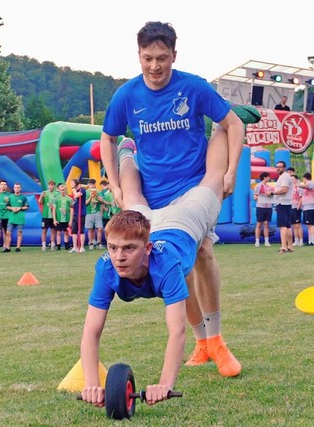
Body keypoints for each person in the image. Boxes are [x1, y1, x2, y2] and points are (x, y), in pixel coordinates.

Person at [99, 22, 246, 377]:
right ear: (139, 56)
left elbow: (235, 124)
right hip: (152, 196)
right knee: (171, 263)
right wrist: (115, 185)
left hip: (194, 188)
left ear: (174, 56)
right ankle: (201, 342)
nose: (154, 66)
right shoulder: (127, 96)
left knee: (203, 253)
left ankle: (218, 339)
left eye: (162, 58)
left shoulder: (193, 87)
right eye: (148, 58)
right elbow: (107, 137)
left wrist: (230, 173)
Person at [80, 127, 227, 407]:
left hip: (185, 220)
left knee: (212, 180)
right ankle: (126, 151)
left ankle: (222, 126)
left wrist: (165, 384)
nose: (119, 257)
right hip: (150, 221)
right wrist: (91, 384)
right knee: (130, 195)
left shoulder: (166, 266)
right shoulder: (106, 267)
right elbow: (91, 331)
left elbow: (176, 330)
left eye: (128, 249)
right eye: (113, 248)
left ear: (146, 249)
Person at [272, 161, 294, 253]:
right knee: (288, 226)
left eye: (279, 167)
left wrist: (272, 192)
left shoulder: (284, 176)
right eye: (276, 167)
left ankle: (284, 246)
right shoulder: (283, 177)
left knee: (283, 226)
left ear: (284, 168)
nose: (277, 168)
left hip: (282, 203)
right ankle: (290, 246)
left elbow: (284, 190)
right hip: (286, 203)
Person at [5, 183, 29, 252]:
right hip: (12, 217)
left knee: (19, 232)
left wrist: (20, 208)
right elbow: (7, 206)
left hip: (20, 217)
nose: (17, 189)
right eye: (15, 187)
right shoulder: (10, 197)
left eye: (18, 187)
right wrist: (12, 208)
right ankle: (7, 247)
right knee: (8, 232)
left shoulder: (23, 197)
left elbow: (27, 207)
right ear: (13, 188)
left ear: (20, 188)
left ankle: (18, 247)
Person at [253, 171, 274, 247]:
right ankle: (257, 241)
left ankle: (266, 241)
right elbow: (255, 197)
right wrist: (264, 197)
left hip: (268, 207)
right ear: (264, 177)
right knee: (259, 224)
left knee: (266, 224)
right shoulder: (258, 186)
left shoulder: (269, 187)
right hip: (260, 207)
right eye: (268, 177)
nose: (269, 178)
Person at [298, 172, 314, 245]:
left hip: (311, 207)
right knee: (308, 225)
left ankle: (313, 240)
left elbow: (306, 186)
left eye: (303, 178)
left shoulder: (311, 183)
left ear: (305, 178)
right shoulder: (306, 186)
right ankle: (310, 240)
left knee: (311, 224)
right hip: (306, 207)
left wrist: (298, 184)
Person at [38, 180, 59, 251]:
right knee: (44, 230)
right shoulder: (44, 193)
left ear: (54, 186)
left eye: (52, 185)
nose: (51, 186)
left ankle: (52, 244)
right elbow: (40, 203)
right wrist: (41, 197)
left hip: (53, 216)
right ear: (48, 186)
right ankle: (43, 245)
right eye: (50, 185)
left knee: (53, 230)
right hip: (45, 215)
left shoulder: (57, 194)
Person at [53, 183, 74, 250]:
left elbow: (71, 210)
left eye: (64, 190)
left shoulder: (69, 199)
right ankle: (58, 245)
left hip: (66, 219)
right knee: (58, 232)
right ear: (59, 190)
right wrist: (54, 219)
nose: (62, 191)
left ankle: (66, 245)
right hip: (59, 219)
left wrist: (70, 220)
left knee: (66, 232)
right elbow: (54, 209)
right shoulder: (56, 199)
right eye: (61, 190)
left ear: (66, 190)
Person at [85, 179, 105, 250]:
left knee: (100, 228)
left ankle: (99, 243)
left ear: (94, 184)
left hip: (97, 211)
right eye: (90, 184)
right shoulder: (86, 192)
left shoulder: (98, 192)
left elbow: (103, 201)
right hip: (89, 212)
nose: (91, 185)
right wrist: (90, 197)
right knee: (90, 229)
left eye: (92, 184)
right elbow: (85, 203)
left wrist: (97, 196)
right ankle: (91, 243)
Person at [70, 178, 87, 253]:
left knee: (81, 230)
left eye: (72, 183)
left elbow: (77, 196)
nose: (71, 184)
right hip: (75, 213)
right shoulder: (74, 191)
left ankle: (82, 247)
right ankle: (75, 247)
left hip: (81, 213)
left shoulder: (82, 190)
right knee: (74, 230)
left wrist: (73, 188)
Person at [290, 174, 304, 246]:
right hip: (290, 207)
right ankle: (296, 240)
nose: (291, 180)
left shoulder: (299, 188)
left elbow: (301, 197)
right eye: (290, 179)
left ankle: (301, 240)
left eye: (292, 179)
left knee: (298, 225)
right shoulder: (290, 188)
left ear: (296, 179)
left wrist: (299, 205)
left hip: (296, 207)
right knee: (294, 225)